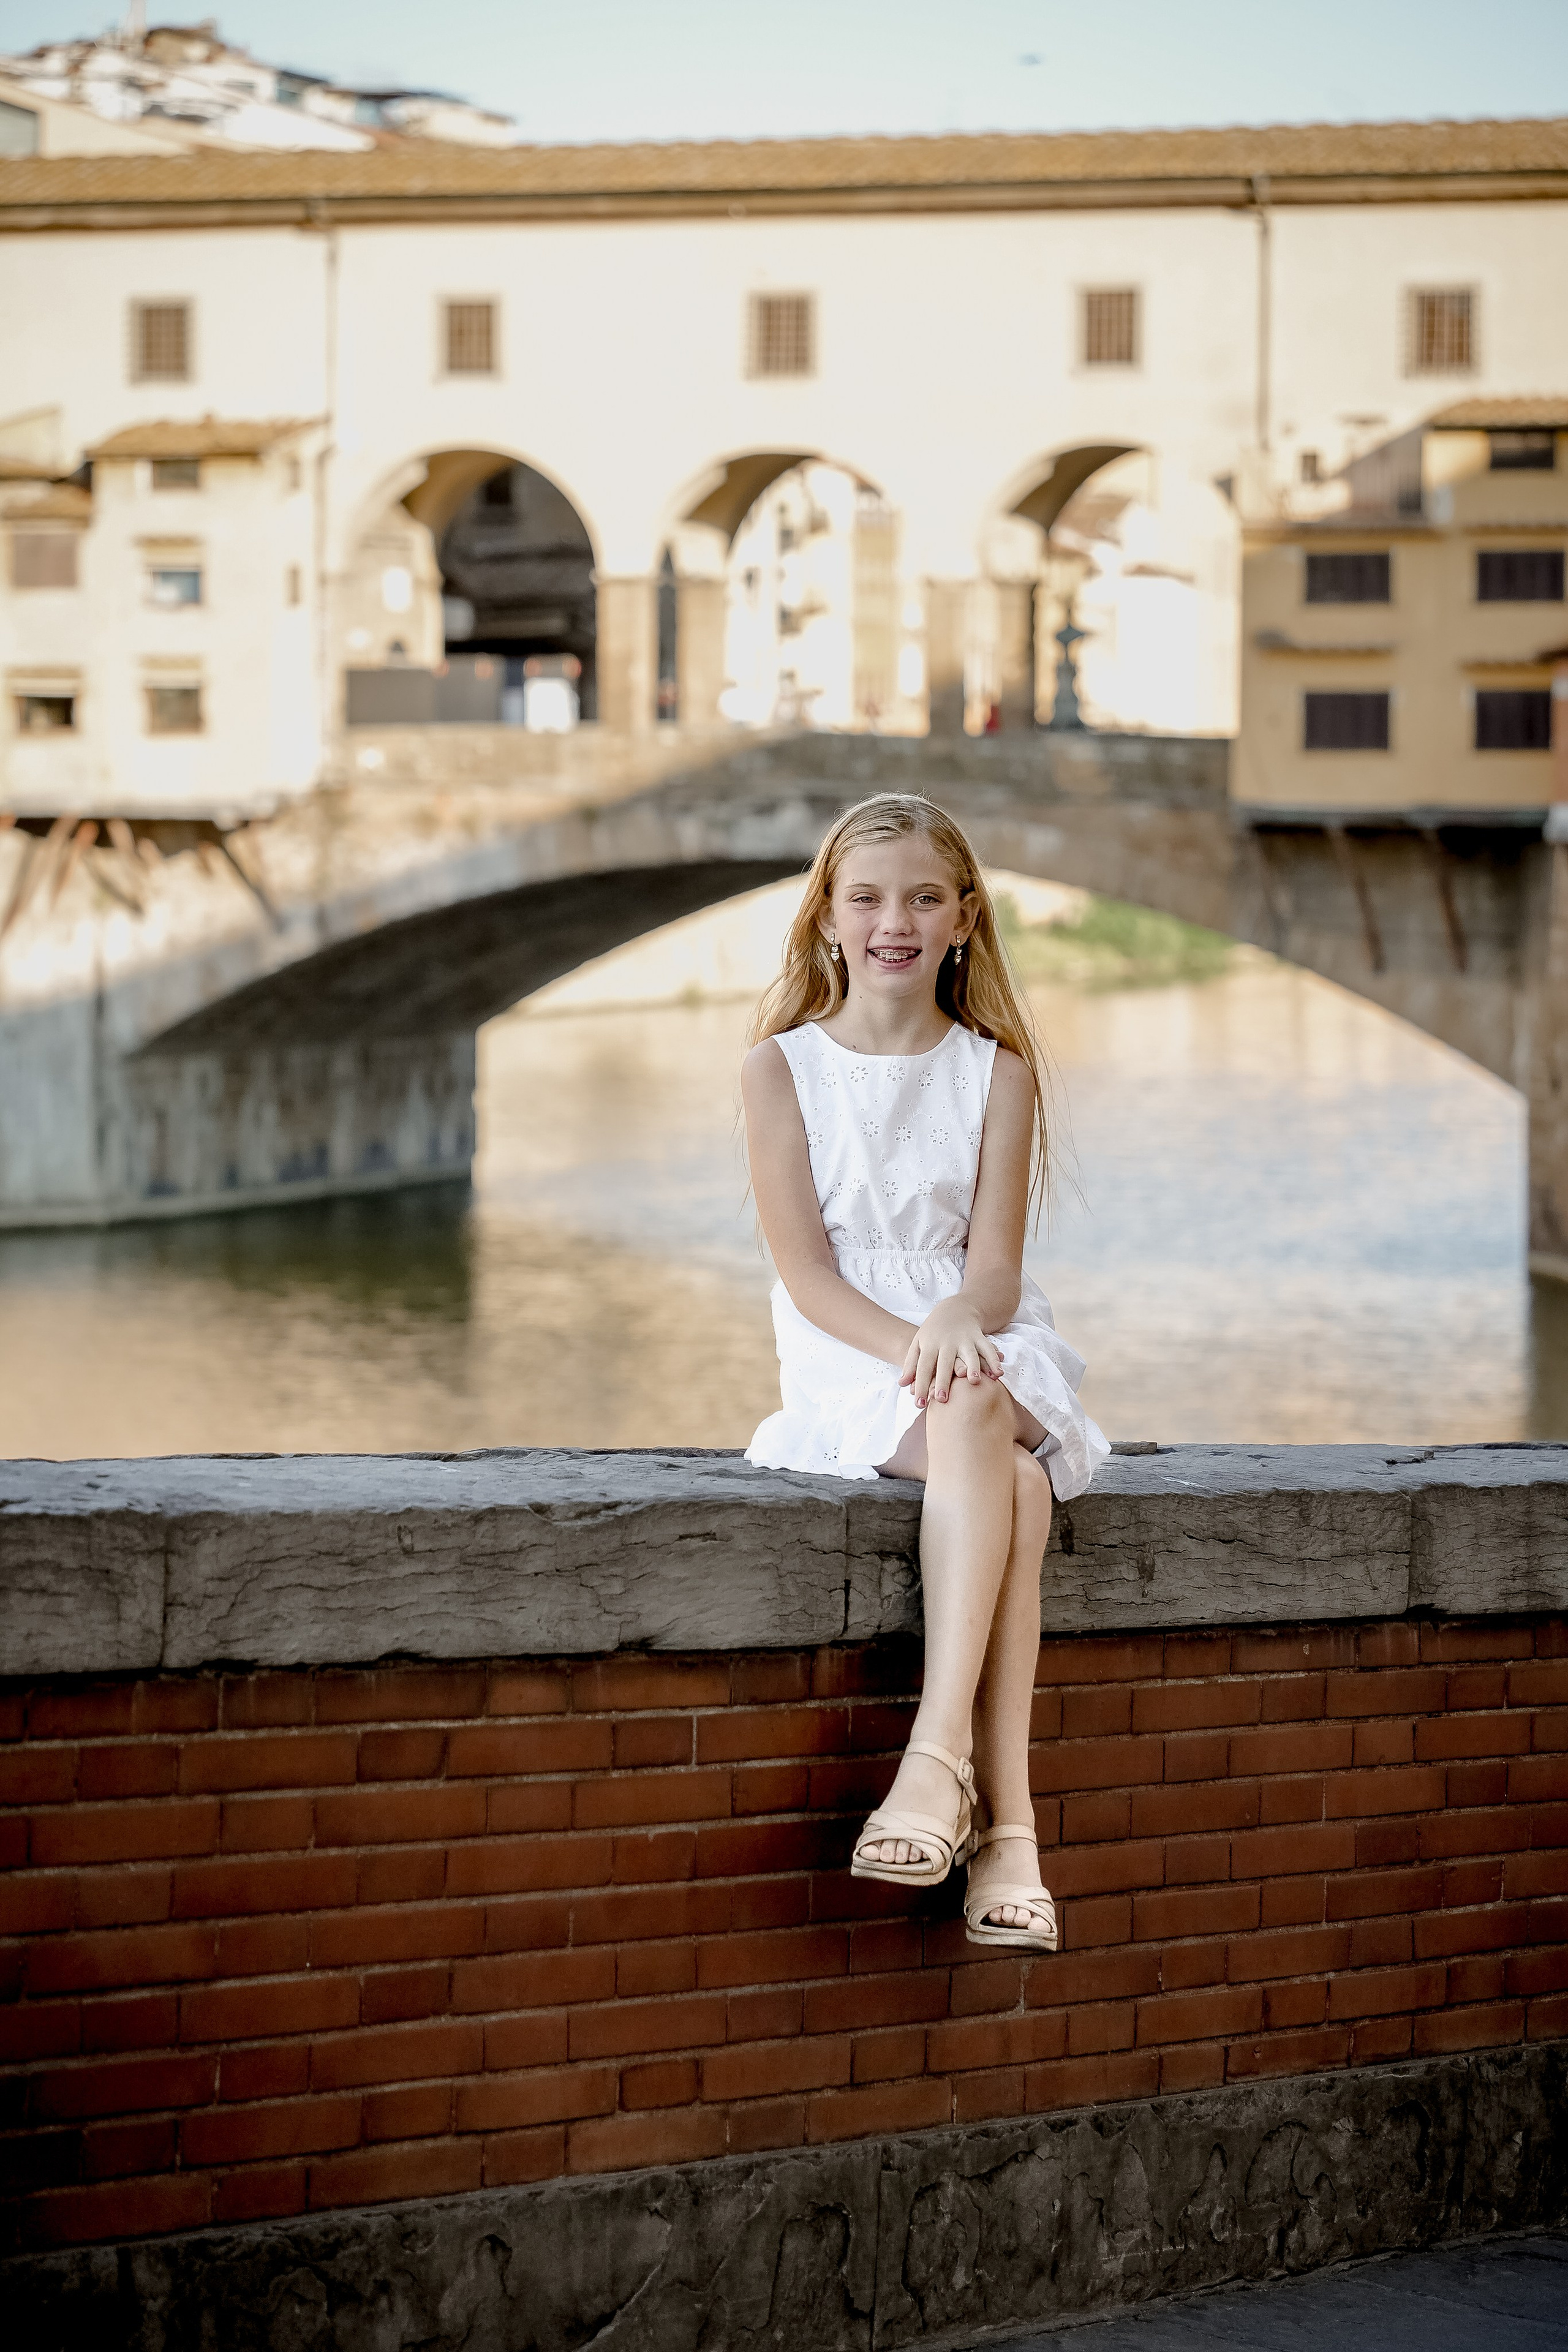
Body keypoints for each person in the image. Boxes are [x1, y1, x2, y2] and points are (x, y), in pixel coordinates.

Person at [742, 793, 1107, 1951]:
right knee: (1022, 1482)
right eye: (866, 899)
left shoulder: (997, 1071)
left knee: (987, 1417)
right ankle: (1007, 1830)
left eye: (921, 899)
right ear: (827, 921)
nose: (892, 921)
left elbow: (994, 1270)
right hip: (851, 1346)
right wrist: (918, 1346)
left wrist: (955, 1318)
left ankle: (939, 1772)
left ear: (964, 920)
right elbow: (807, 1276)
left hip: (976, 1331)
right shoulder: (778, 1070)